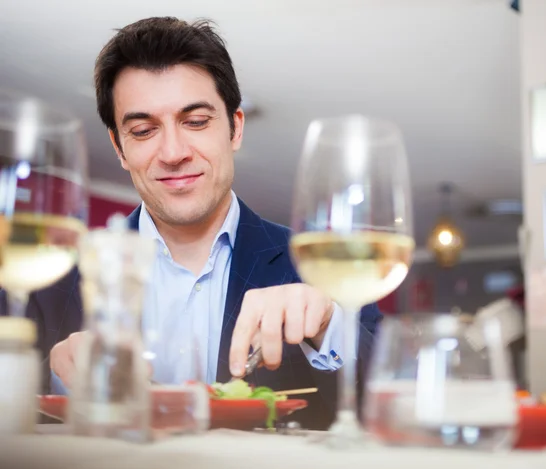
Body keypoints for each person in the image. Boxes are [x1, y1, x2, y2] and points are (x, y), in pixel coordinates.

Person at [9, 17, 381, 429]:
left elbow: (390, 397)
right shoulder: (53, 274)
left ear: (235, 128)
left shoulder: (319, 264)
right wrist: (51, 376)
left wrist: (329, 326)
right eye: (144, 129)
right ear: (119, 147)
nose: (172, 152)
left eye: (196, 122)